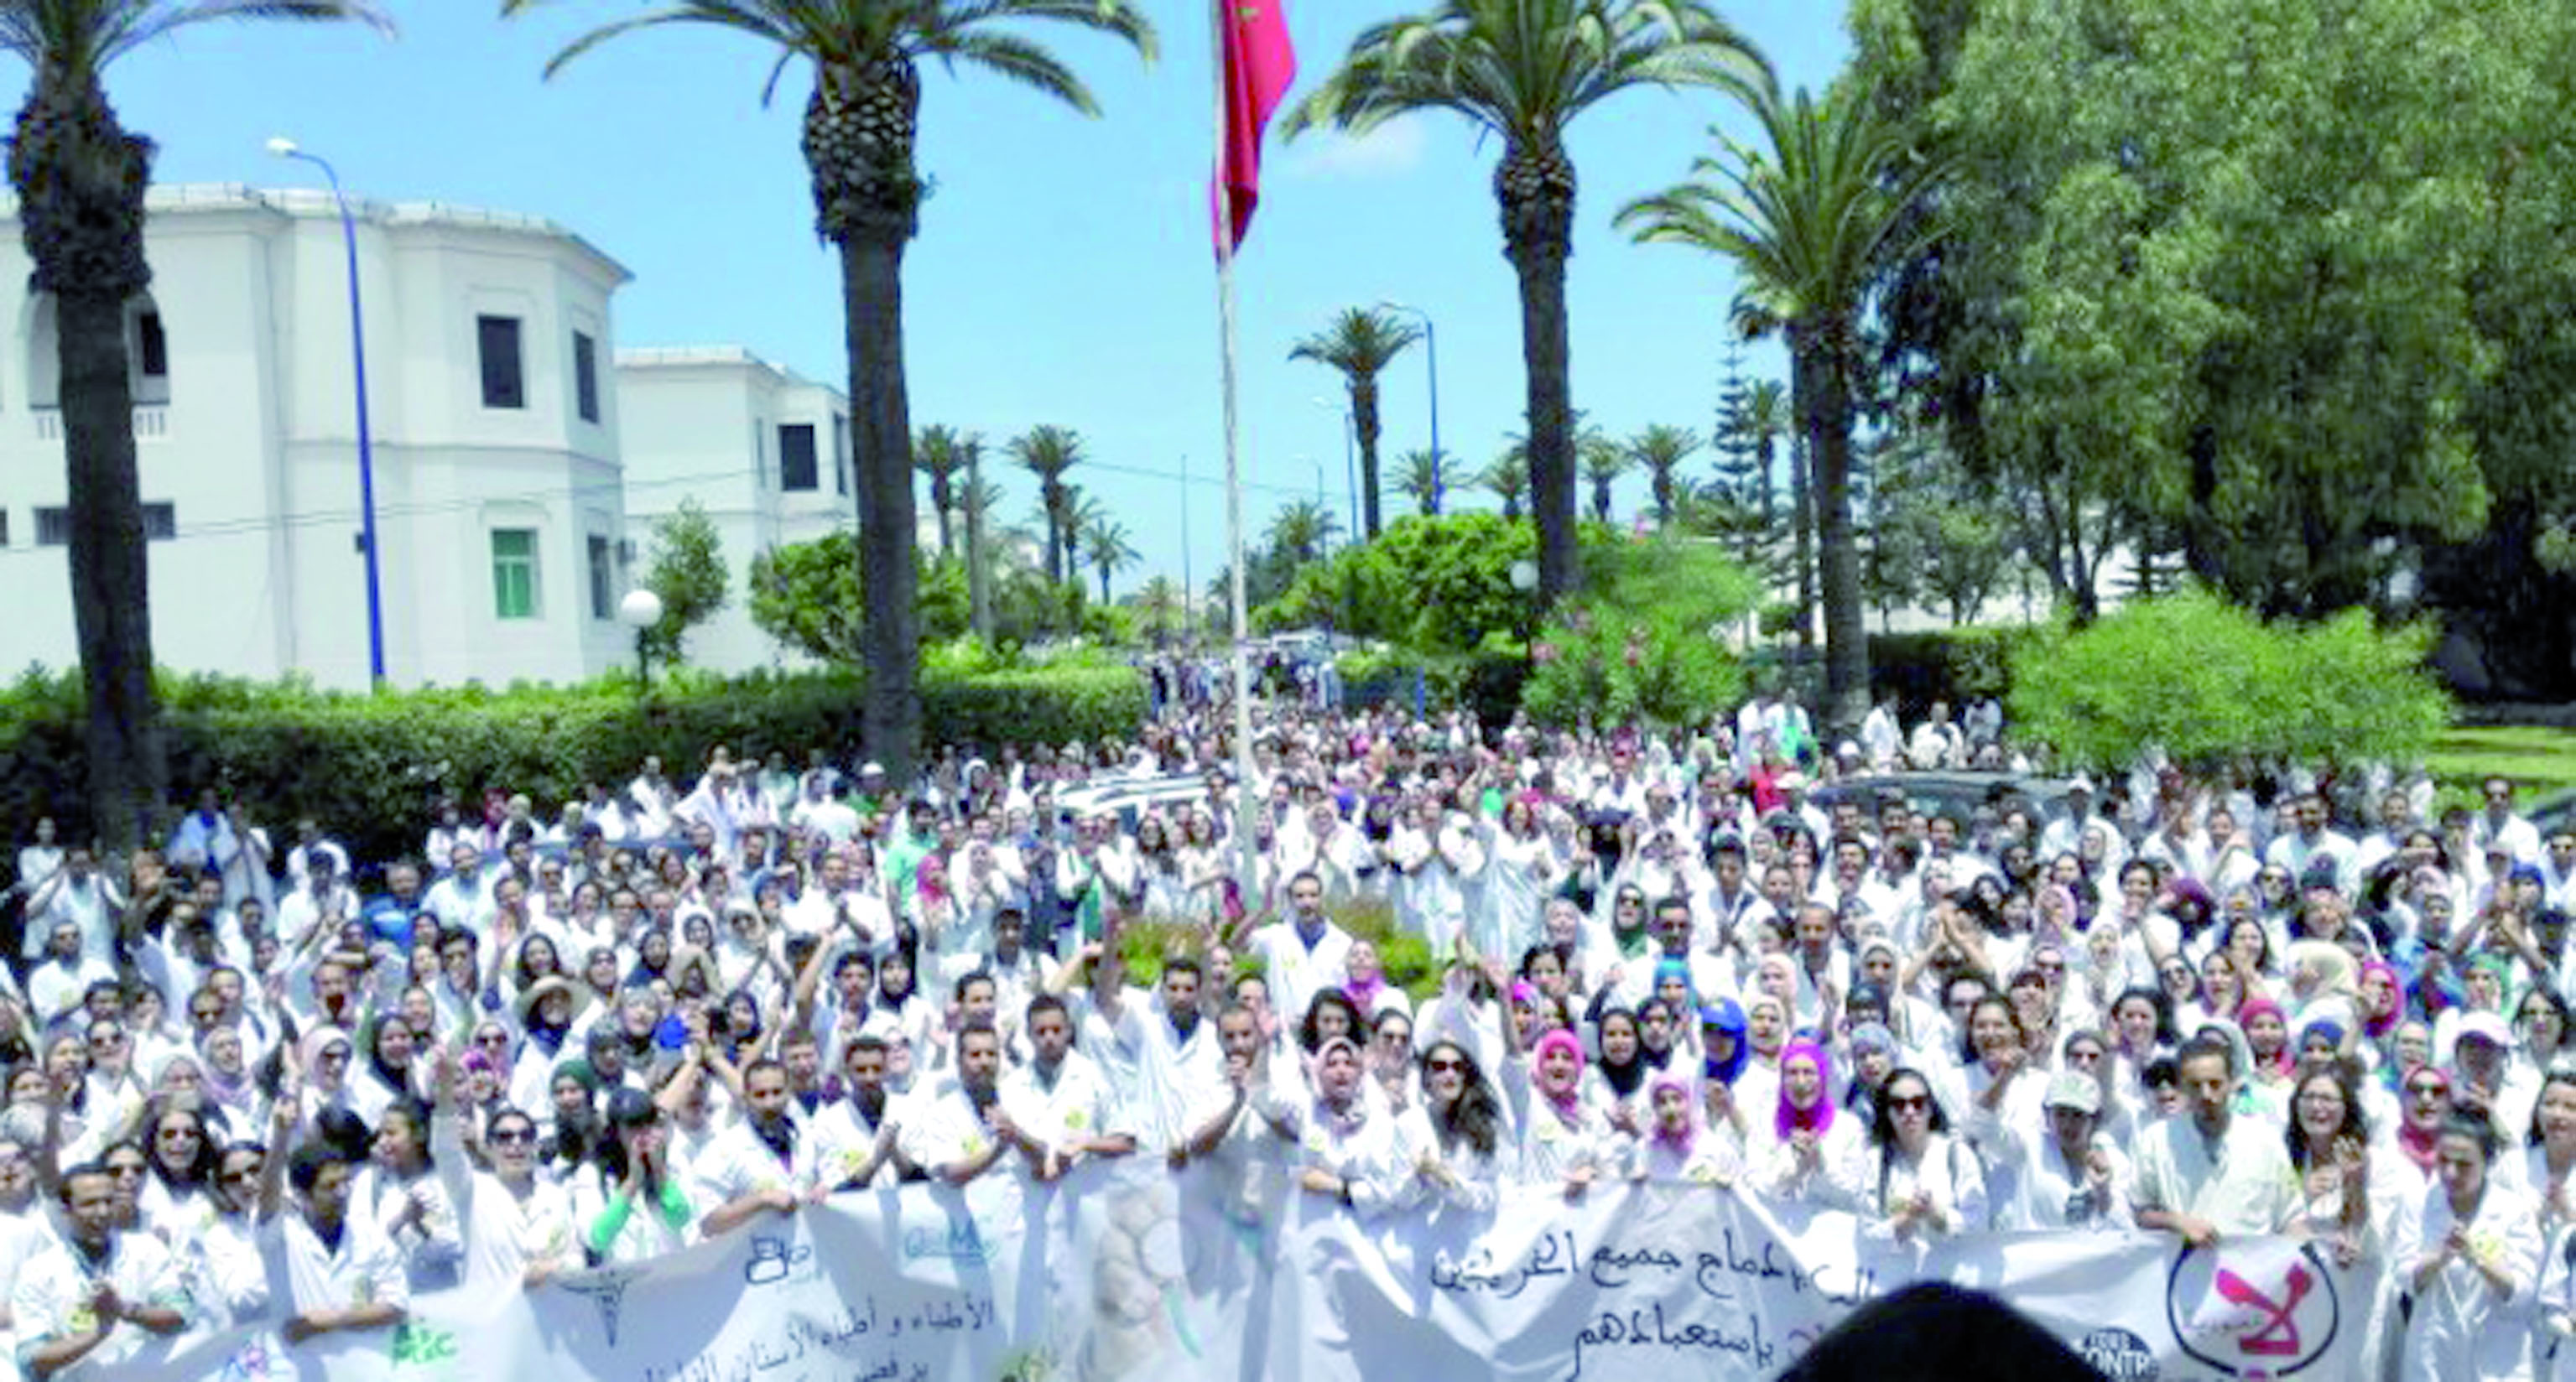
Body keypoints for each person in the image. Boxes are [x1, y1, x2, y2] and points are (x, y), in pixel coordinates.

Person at [2394, 1114, 2541, 1382]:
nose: (2451, 1173)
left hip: (2498, 1359)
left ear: (2489, 1162)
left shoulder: (2513, 1211)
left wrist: (2479, 1260)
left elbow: (2523, 1293)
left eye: (2464, 1165)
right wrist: (2439, 1257)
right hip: (2433, 1353)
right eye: (2444, 1162)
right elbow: (2404, 1277)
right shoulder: (2420, 1203)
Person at [12, 1162, 189, 1379]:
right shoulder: (39, 1270)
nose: (103, 1212)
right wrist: (98, 1333)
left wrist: (125, 1310)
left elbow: (182, 1316)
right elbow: (32, 1360)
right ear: (65, 1211)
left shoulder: (148, 1250)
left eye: (108, 1201)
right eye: (89, 1204)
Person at [2129, 1036, 2297, 1244]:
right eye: (2195, 1085)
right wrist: (2178, 1222)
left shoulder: (2267, 1140)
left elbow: (2292, 1217)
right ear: (2181, 1086)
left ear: (2231, 1082)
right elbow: (2140, 1212)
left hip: (2250, 1271)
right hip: (2184, 1267)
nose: (2206, 1094)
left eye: (2215, 1084)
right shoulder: (2154, 1140)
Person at [1849, 1068, 1986, 1241]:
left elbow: (1979, 1224)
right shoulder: (1874, 1161)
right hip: (1898, 1266)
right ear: (1887, 1111)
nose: (1909, 1112)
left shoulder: (1957, 1154)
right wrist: (1905, 1220)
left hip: (1951, 1262)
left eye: (1918, 1103)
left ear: (1930, 1108)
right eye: (1899, 1105)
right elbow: (1867, 1233)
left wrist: (1940, 1217)